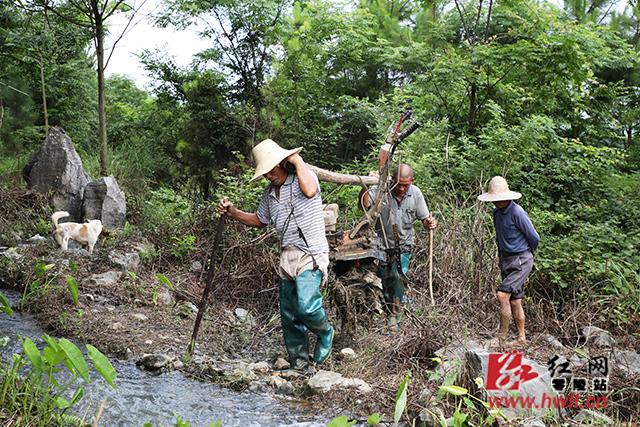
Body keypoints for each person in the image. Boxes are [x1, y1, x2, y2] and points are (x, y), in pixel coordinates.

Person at [218, 139, 333, 370]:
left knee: (307, 306)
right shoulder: (269, 193)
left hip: (310, 253)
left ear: (283, 164)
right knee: (289, 315)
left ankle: (326, 333)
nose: (269, 176)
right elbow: (260, 220)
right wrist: (233, 212)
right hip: (286, 255)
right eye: (265, 173)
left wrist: (297, 159)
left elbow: (310, 191)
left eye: (272, 169)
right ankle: (299, 364)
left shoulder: (304, 179)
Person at [360, 159, 437, 328]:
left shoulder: (415, 193)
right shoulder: (382, 189)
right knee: (385, 277)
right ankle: (389, 305)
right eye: (398, 184)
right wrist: (366, 185)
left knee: (397, 277)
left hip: (404, 244)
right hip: (382, 243)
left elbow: (424, 219)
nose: (402, 188)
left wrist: (430, 223)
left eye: (405, 185)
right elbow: (364, 205)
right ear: (392, 180)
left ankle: (394, 316)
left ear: (412, 182)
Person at [478, 176, 539, 346]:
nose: (498, 202)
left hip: (521, 259)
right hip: (506, 258)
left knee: (502, 294)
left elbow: (534, 237)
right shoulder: (496, 212)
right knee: (515, 300)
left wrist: (526, 255)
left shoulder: (517, 212)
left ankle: (501, 339)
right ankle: (521, 338)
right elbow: (500, 236)